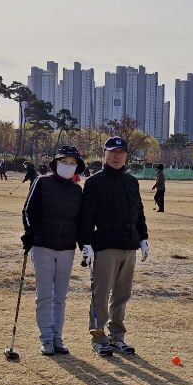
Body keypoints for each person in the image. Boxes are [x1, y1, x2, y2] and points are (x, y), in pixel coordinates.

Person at [78, 136, 149, 357]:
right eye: (113, 153)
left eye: (121, 153)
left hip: (129, 245)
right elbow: (86, 217)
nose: (117, 157)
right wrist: (86, 244)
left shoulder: (132, 182)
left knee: (122, 294)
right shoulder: (95, 182)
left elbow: (139, 212)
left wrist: (143, 238)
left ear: (126, 156)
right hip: (106, 246)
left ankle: (117, 337)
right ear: (105, 155)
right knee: (101, 294)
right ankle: (99, 337)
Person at [22, 145, 85, 356]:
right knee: (44, 295)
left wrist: (84, 244)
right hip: (43, 245)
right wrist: (30, 233)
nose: (68, 165)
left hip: (67, 248)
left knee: (60, 296)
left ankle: (57, 337)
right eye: (64, 161)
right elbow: (28, 210)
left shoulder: (76, 190)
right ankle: (47, 338)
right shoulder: (42, 182)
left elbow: (80, 220)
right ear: (55, 163)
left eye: (72, 162)